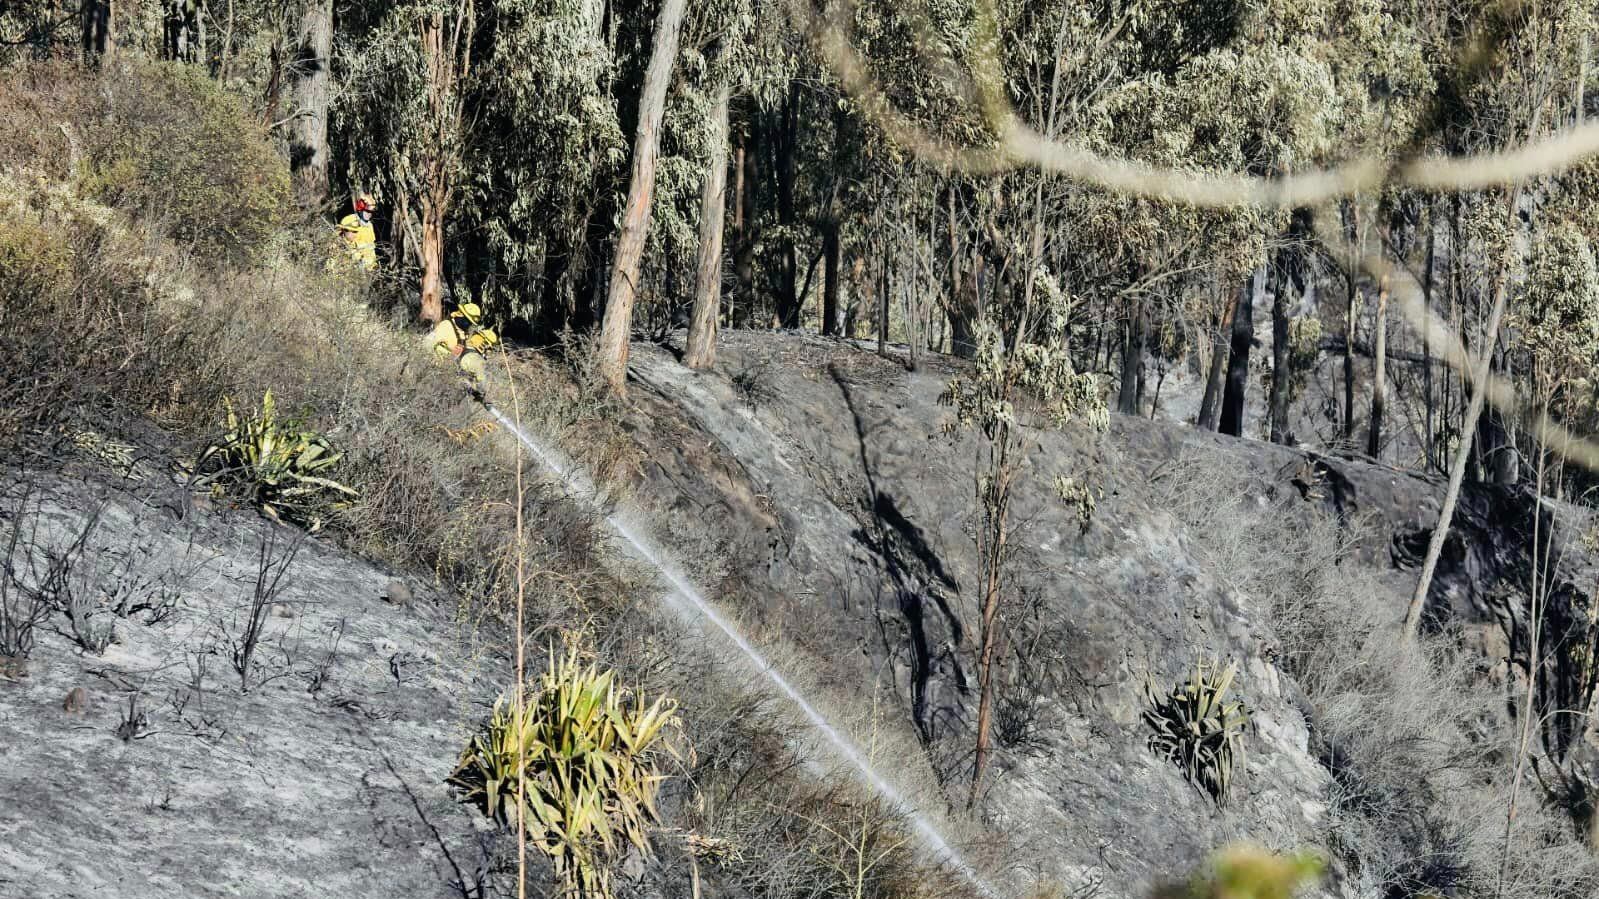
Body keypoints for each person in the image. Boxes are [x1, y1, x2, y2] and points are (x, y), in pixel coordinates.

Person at [429, 301, 499, 394]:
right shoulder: (446, 326)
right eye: (467, 321)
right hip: (436, 371)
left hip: (451, 373)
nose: (468, 325)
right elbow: (431, 346)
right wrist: (447, 357)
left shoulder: (464, 334)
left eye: (470, 323)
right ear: (461, 314)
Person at [335, 193, 378, 271]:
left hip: (368, 268)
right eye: (368, 211)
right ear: (361, 210)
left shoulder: (369, 226)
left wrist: (373, 266)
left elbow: (371, 248)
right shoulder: (350, 221)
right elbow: (344, 242)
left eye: (371, 212)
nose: (370, 214)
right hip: (350, 266)